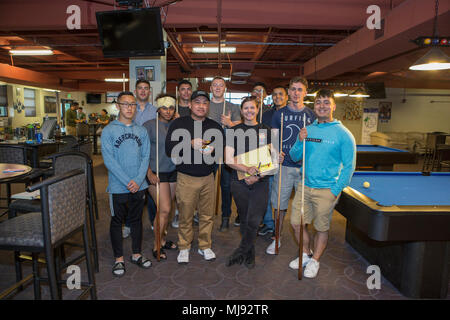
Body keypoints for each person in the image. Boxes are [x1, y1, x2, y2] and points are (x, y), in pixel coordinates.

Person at [288, 89, 356, 278]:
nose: (322, 106)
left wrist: (335, 190)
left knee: (321, 227)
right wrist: (300, 140)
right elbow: (294, 156)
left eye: (327, 102)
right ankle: (306, 253)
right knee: (296, 223)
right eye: (318, 102)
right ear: (314, 106)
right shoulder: (308, 129)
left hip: (327, 189)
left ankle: (315, 260)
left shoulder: (344, 134)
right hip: (304, 186)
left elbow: (350, 167)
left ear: (333, 106)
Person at [165, 90, 223, 264]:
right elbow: (169, 149)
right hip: (186, 177)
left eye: (204, 103)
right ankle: (184, 246)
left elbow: (221, 151)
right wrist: (189, 143)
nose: (201, 106)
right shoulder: (178, 124)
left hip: (208, 177)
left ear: (208, 106)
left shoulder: (214, 126)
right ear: (190, 104)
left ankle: (204, 245)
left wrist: (214, 150)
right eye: (197, 102)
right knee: (186, 215)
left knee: (207, 215)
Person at [224, 96, 282, 269]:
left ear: (257, 110)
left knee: (255, 220)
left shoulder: (266, 131)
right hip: (238, 181)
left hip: (261, 181)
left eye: (252, 108)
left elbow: (272, 160)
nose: (249, 111)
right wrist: (246, 169)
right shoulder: (234, 131)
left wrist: (258, 174)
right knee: (245, 219)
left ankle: (240, 251)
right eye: (246, 108)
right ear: (241, 111)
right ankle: (249, 253)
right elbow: (227, 159)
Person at [101, 91, 152, 277]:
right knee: (117, 222)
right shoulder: (109, 130)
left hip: (139, 186)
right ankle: (119, 259)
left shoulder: (142, 131)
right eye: (125, 104)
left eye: (133, 104)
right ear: (118, 106)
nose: (129, 108)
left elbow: (146, 156)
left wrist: (138, 180)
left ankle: (136, 254)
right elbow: (109, 160)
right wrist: (127, 181)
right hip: (118, 186)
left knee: (137, 220)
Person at [266, 76, 316, 255]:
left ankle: (304, 246)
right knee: (279, 206)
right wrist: (274, 153)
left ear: (305, 92)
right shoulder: (279, 114)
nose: (296, 93)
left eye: (299, 89)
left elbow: (317, 142)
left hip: (305, 168)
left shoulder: (311, 115)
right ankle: (276, 238)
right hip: (284, 167)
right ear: (289, 92)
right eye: (293, 89)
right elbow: (272, 139)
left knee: (304, 209)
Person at [143, 94, 179, 260]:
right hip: (156, 172)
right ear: (158, 108)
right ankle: (157, 245)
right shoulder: (149, 125)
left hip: (173, 170)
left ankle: (163, 239)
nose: (168, 111)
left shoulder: (176, 125)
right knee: (163, 209)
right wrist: (148, 172)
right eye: (164, 107)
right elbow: (141, 153)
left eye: (171, 107)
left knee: (167, 209)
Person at [122, 79, 158, 239]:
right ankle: (129, 224)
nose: (143, 91)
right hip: (132, 156)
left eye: (146, 88)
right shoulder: (128, 109)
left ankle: (153, 222)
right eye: (140, 88)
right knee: (133, 193)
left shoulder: (156, 111)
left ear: (150, 92)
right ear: (135, 91)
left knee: (151, 193)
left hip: (150, 156)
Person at [208, 76, 241, 231]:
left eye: (221, 85)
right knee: (206, 185)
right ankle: (204, 216)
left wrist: (230, 123)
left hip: (227, 151)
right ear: (211, 88)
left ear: (225, 88)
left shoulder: (232, 107)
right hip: (208, 152)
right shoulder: (205, 106)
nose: (218, 87)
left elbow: (241, 127)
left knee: (226, 186)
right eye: (215, 85)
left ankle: (226, 216)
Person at [258, 86, 288, 237]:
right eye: (274, 94)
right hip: (268, 156)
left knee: (280, 194)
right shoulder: (266, 114)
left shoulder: (290, 114)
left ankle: (278, 226)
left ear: (286, 97)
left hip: (286, 159)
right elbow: (262, 136)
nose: (277, 97)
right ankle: (269, 224)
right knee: (267, 192)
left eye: (280, 94)